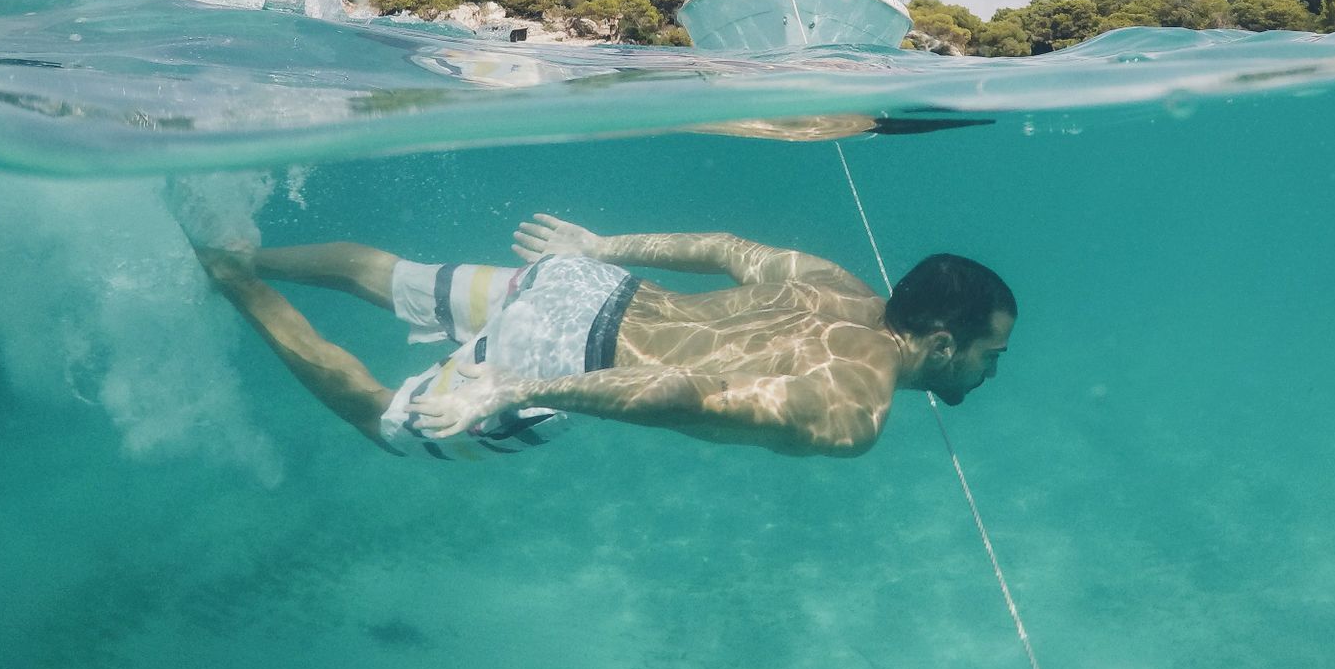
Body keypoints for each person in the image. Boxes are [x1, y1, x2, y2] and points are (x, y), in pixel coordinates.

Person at [192, 215, 1014, 460]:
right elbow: (677, 393)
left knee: (394, 274)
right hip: (570, 360)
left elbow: (724, 247)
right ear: (941, 343)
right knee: (380, 418)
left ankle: (238, 249)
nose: (992, 370)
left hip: (591, 287)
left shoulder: (834, 281)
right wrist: (522, 388)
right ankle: (233, 282)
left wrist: (597, 247)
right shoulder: (852, 412)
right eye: (991, 354)